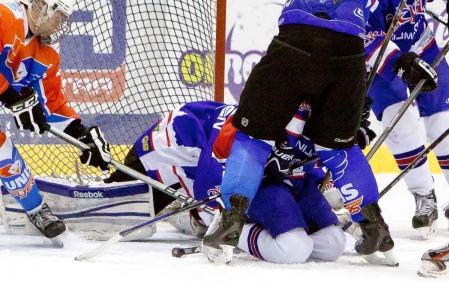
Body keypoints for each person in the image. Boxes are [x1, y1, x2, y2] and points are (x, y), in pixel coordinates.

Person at [202, 0, 435, 263]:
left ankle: (231, 221)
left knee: (254, 134)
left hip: (294, 44)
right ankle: (375, 228)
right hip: (347, 53)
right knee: (340, 147)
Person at [105, 100, 347, 264]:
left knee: (331, 244)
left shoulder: (306, 119)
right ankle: (190, 216)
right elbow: (212, 178)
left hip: (220, 157)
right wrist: (221, 223)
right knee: (292, 247)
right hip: (165, 155)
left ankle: (197, 216)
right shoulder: (247, 130)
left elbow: (302, 168)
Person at [0, 0, 111, 239]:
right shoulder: (6, 15)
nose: (60, 23)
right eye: (58, 15)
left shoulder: (45, 54)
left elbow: (52, 104)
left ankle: (37, 210)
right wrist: (10, 96)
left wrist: (81, 135)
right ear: (39, 5)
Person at [367, 0, 449, 239]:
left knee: (443, 121)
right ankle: (423, 196)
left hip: (423, 47)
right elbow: (357, 35)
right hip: (381, 61)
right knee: (399, 127)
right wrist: (397, 63)